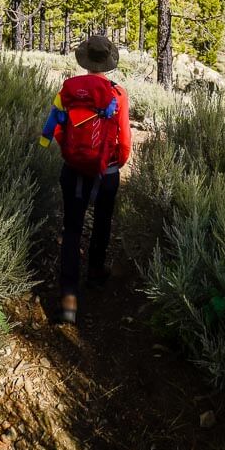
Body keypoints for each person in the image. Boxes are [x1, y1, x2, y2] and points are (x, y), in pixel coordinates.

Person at [40, 35, 131, 325]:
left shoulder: (68, 90)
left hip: (74, 170)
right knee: (103, 222)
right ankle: (95, 273)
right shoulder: (118, 93)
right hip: (107, 171)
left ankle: (68, 300)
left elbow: (55, 127)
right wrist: (116, 162)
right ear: (108, 62)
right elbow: (125, 139)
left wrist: (70, 151)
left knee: (72, 229)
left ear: (84, 60)